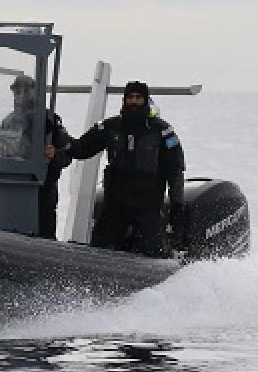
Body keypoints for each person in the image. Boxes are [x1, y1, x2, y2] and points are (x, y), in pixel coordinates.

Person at [63, 80, 184, 256]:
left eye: (138, 98)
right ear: (124, 100)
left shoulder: (163, 131)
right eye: (130, 97)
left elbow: (176, 171)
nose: (134, 102)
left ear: (146, 100)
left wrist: (177, 209)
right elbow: (81, 148)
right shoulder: (110, 127)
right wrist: (59, 140)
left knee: (156, 253)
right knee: (99, 250)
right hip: (115, 205)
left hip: (147, 207)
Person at [0, 74, 72, 237]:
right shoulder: (7, 123)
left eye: (26, 91)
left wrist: (54, 154)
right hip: (12, 185)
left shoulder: (50, 120)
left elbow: (67, 154)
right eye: (17, 92)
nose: (21, 96)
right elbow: (1, 150)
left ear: (35, 92)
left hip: (42, 188)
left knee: (44, 232)